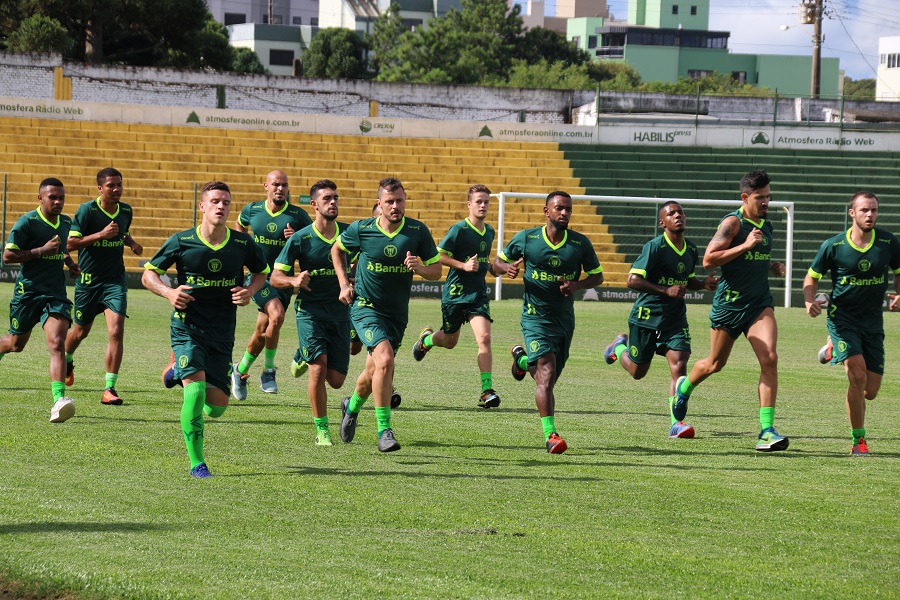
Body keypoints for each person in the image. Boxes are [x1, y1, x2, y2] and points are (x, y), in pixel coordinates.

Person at [142, 181, 268, 478]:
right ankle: (197, 464)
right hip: (187, 327)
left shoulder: (242, 243)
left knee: (217, 408)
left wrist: (249, 291)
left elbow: (262, 272)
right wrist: (168, 292)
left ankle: (176, 368)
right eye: (214, 201)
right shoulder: (182, 241)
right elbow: (149, 275)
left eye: (226, 202)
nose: (221, 206)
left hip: (222, 331)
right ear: (202, 206)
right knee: (196, 391)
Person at [671, 169, 789, 452]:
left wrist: (770, 266)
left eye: (769, 197)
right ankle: (684, 388)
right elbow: (709, 260)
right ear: (745, 197)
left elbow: (753, 257)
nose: (766, 202)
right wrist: (746, 245)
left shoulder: (767, 225)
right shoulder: (733, 223)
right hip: (729, 305)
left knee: (770, 358)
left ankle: (766, 431)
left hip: (759, 304)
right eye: (760, 198)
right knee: (715, 364)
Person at [331, 177, 441, 452]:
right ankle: (384, 430)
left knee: (374, 371)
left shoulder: (417, 231)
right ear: (379, 204)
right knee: (385, 359)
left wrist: (419, 267)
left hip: (396, 315)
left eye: (399, 200)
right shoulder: (362, 229)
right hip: (365, 307)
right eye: (389, 201)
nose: (395, 206)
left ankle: (351, 406)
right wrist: (344, 284)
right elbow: (337, 249)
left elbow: (436, 270)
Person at [493, 191, 603, 454]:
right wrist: (505, 268)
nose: (564, 213)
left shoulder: (579, 243)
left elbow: (597, 276)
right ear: (547, 211)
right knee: (546, 373)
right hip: (535, 318)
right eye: (559, 208)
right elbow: (495, 264)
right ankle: (551, 435)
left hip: (564, 321)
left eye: (568, 209)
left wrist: (577, 285)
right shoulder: (527, 239)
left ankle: (521, 361)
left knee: (548, 378)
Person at [602, 201, 717, 438]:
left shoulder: (690, 249)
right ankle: (618, 347)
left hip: (675, 320)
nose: (678, 215)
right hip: (646, 317)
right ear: (662, 222)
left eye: (680, 212)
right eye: (671, 213)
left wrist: (703, 284)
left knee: (679, 364)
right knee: (637, 372)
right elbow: (632, 280)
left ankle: (676, 424)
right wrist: (665, 290)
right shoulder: (654, 247)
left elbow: (688, 280)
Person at [803, 191, 900, 455]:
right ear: (852, 213)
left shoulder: (888, 242)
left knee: (870, 391)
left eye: (874, 210)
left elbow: (898, 272)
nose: (870, 215)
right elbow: (811, 277)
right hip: (842, 319)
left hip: (873, 322)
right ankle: (859, 441)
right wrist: (809, 300)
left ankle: (831, 348)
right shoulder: (833, 245)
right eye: (864, 210)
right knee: (857, 376)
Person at [271, 180, 350, 446]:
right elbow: (275, 277)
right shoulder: (301, 238)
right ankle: (322, 431)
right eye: (327, 198)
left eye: (335, 197)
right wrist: (294, 280)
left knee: (336, 381)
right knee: (318, 368)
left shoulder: (349, 233)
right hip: (310, 312)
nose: (333, 202)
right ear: (314, 204)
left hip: (340, 313)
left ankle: (301, 354)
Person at [412, 184, 502, 408]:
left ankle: (486, 391)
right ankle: (427, 340)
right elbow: (438, 255)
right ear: (469, 204)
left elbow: (484, 263)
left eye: (486, 202)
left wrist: (498, 269)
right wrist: (463, 265)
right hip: (455, 294)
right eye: (479, 201)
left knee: (484, 338)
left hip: (477, 295)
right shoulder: (459, 230)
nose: (483, 205)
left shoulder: (490, 231)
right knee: (449, 341)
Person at [1, 178, 81, 423]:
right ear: (40, 198)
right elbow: (7, 255)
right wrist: (40, 251)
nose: (58, 202)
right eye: (52, 197)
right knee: (15, 344)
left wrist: (70, 264)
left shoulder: (65, 222)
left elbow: (62, 248)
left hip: (55, 294)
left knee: (57, 343)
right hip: (28, 293)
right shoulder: (27, 222)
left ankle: (59, 401)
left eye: (61, 198)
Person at [64, 167, 143, 405]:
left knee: (116, 331)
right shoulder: (86, 211)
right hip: (89, 282)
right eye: (111, 185)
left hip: (114, 281)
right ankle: (67, 359)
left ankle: (109, 388)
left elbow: (122, 233)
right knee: (80, 332)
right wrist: (100, 235)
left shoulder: (126, 210)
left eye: (119, 184)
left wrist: (132, 243)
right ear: (100, 188)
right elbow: (70, 243)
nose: (117, 189)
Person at [230, 169, 311, 400]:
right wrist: (244, 247)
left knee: (262, 332)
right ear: (266, 186)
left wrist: (296, 238)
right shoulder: (253, 210)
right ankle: (268, 371)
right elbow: (239, 224)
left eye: (284, 185)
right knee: (277, 315)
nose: (280, 189)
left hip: (283, 279)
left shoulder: (298, 216)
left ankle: (239, 370)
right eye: (276, 184)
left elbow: (310, 244)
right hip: (259, 277)